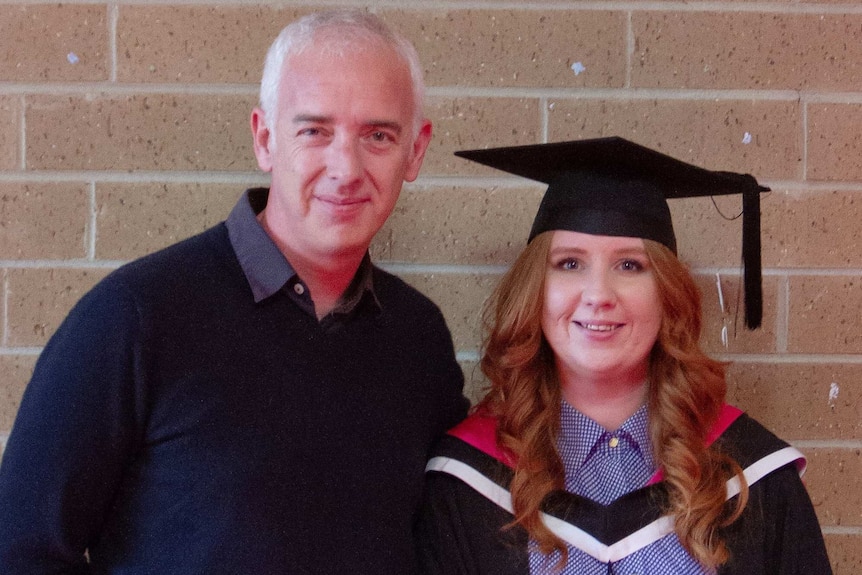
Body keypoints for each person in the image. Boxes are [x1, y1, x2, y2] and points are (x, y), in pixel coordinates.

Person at [0, 9, 468, 574]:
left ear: (415, 151)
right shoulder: (136, 318)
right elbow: (20, 550)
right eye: (314, 130)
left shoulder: (418, 338)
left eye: (377, 135)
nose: (345, 168)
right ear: (265, 139)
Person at [416, 137, 832, 574]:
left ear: (668, 295)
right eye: (569, 263)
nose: (598, 295)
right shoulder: (466, 481)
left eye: (630, 265)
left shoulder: (749, 476)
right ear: (535, 290)